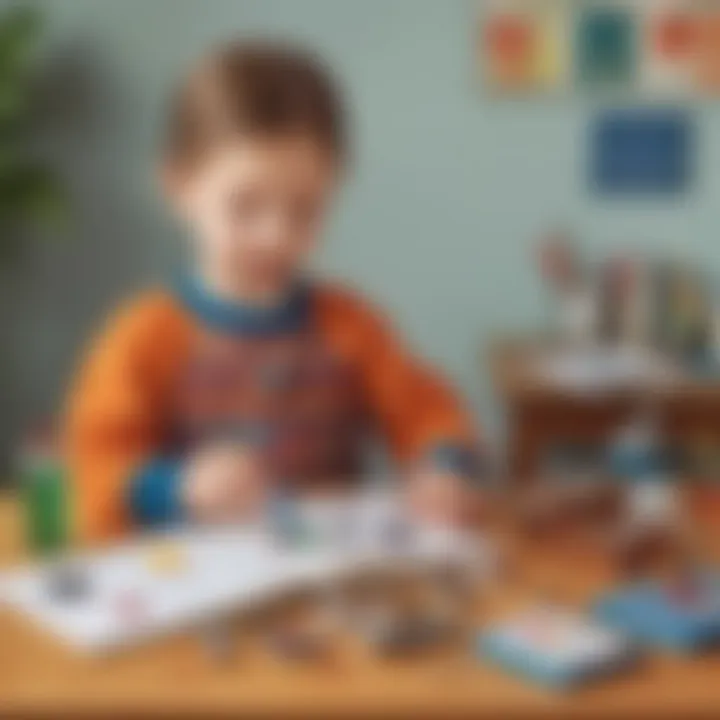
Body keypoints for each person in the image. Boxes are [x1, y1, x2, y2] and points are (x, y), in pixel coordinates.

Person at [65, 41, 482, 541]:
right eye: (245, 206)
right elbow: (90, 467)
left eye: (305, 210)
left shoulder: (349, 325)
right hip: (195, 589)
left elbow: (429, 411)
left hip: (330, 588)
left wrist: (444, 468)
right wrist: (176, 487)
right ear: (178, 188)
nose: (276, 236)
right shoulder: (145, 333)